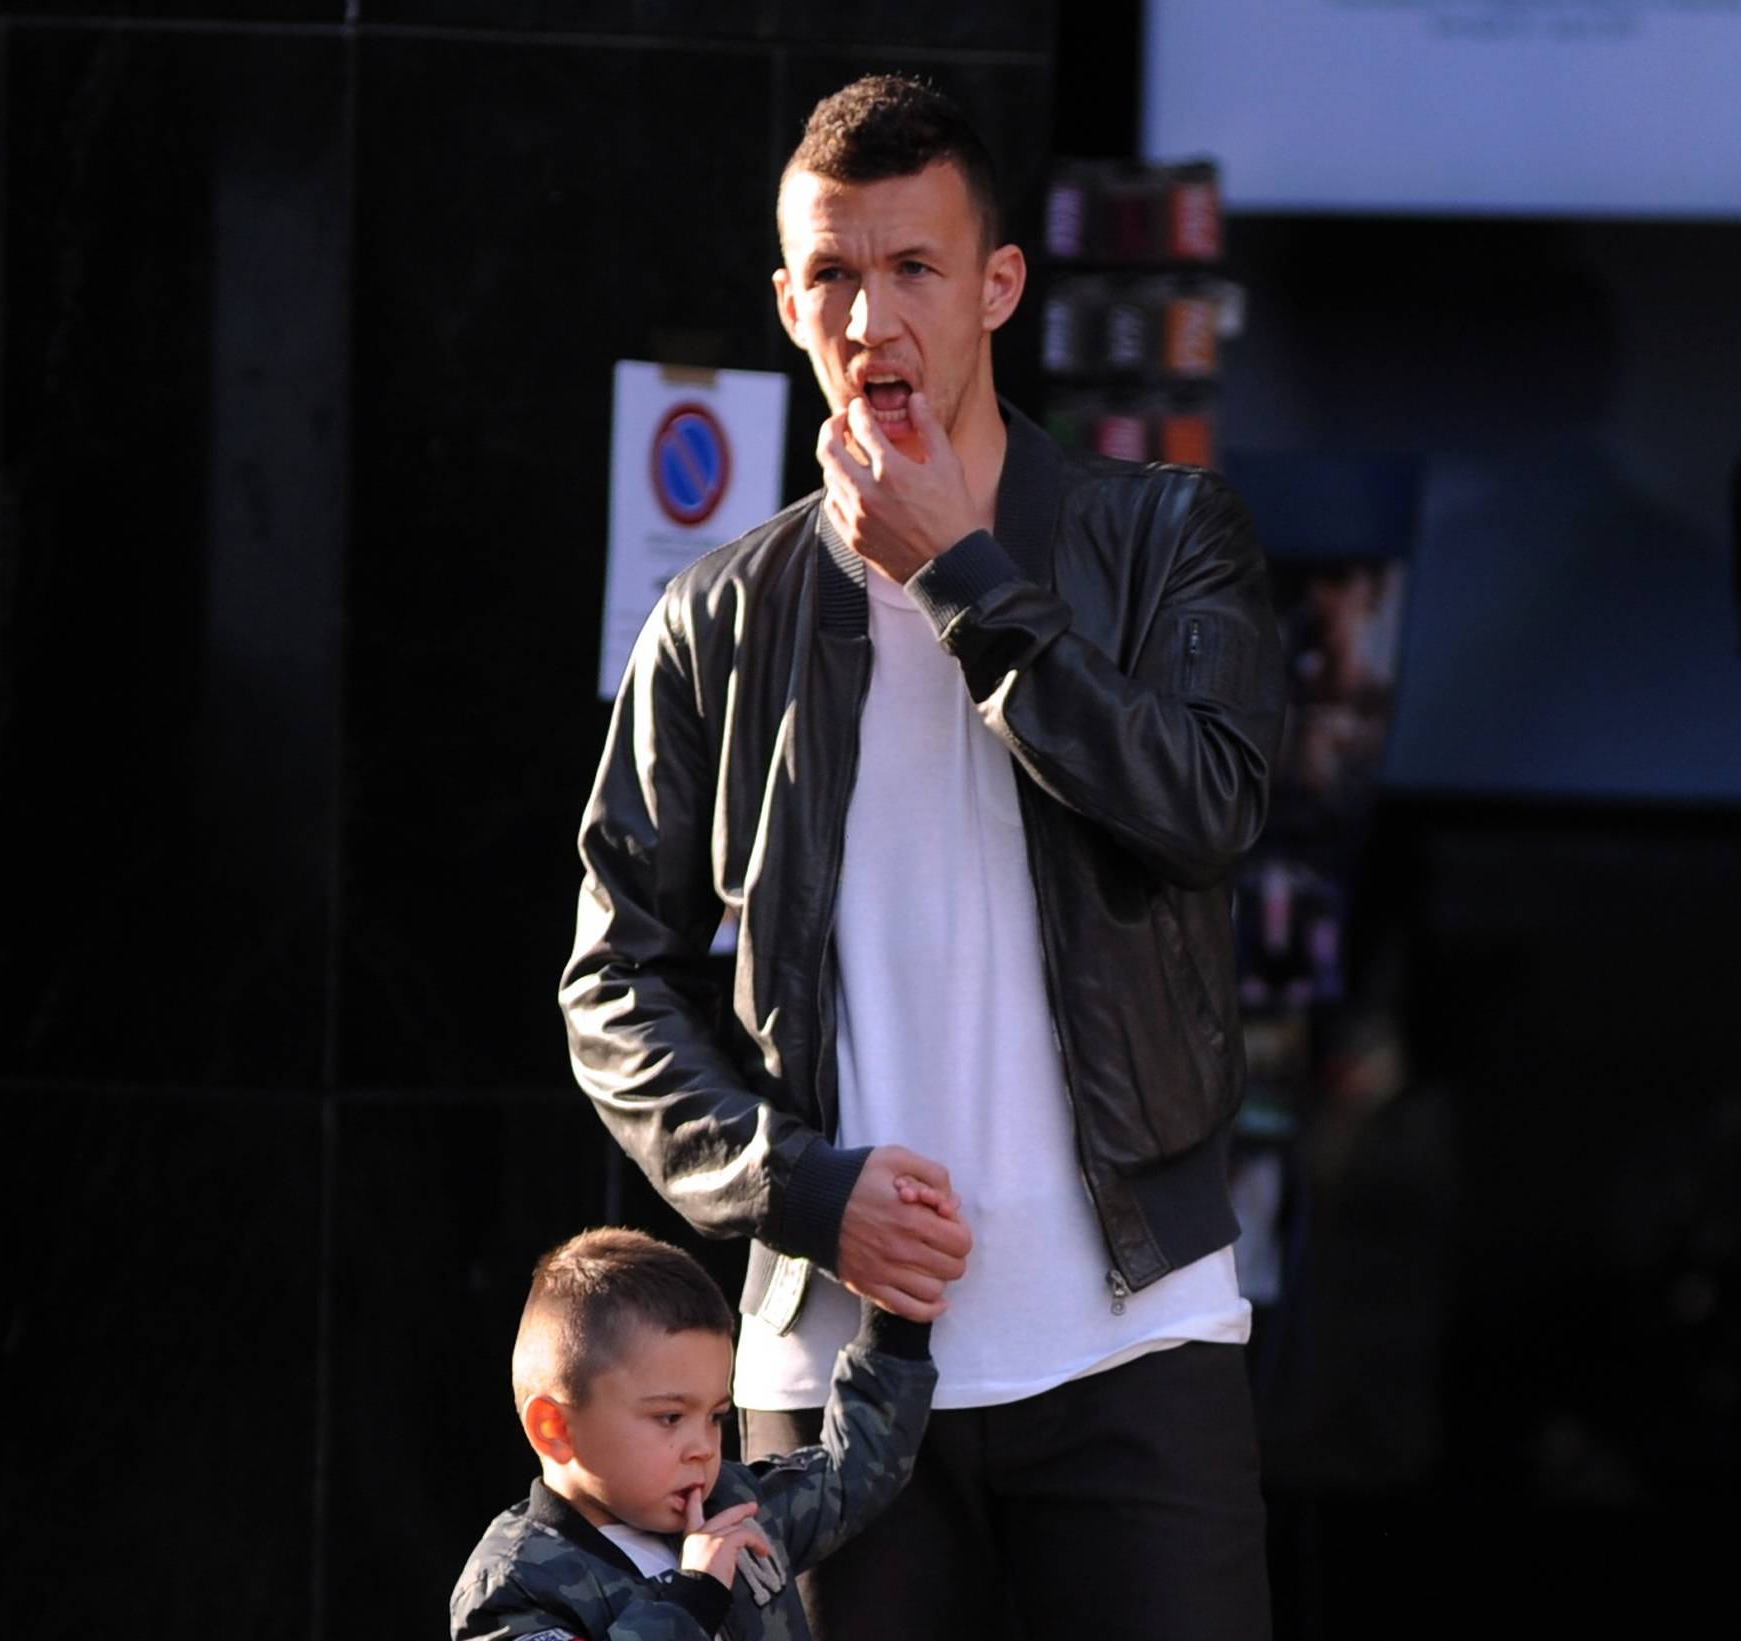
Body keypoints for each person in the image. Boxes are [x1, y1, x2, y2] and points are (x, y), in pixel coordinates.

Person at [561, 74, 1285, 1641]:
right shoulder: (720, 619)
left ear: (998, 287)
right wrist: (800, 1188)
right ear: (784, 300)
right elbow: (613, 982)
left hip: (1130, 1346)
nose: (870, 315)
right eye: (830, 272)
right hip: (828, 1397)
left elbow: (1205, 802)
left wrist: (967, 577)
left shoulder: (1162, 539)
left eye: (913, 269)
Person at [449, 1226, 937, 1641]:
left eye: (716, 1416)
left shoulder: (738, 1506)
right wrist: (691, 1599)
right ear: (554, 1429)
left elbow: (856, 1470)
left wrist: (898, 1314)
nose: (703, 1448)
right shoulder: (513, 1582)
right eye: (669, 1418)